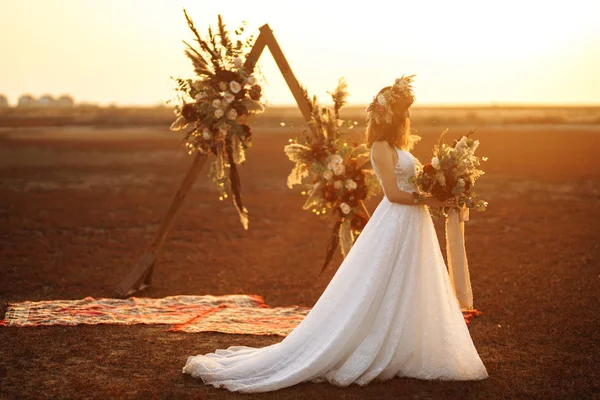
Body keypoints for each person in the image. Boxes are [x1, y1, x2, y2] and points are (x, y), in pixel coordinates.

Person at [182, 75, 489, 392]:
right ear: (394, 119)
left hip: (414, 221)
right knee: (383, 282)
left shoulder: (400, 148)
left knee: (413, 280)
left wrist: (442, 182)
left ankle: (407, 345)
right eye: (405, 113)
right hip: (396, 220)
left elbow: (416, 183)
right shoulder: (381, 148)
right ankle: (372, 343)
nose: (409, 118)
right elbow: (394, 194)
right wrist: (432, 198)